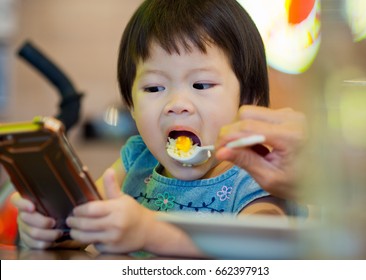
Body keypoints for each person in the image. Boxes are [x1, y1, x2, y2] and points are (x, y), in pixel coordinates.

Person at [11, 0, 307, 257]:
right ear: (132, 105)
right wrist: (50, 230)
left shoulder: (258, 177)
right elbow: (84, 223)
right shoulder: (137, 161)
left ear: (249, 100)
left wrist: (150, 233)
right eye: (154, 88)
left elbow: (264, 251)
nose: (177, 104)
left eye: (201, 84)